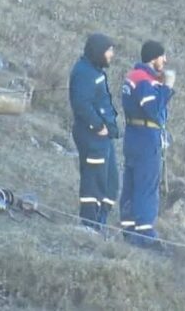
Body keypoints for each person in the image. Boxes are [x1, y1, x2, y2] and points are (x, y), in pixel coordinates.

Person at [119, 40, 175, 250]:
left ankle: (129, 228)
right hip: (146, 138)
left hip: (133, 135)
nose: (165, 60)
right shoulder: (144, 80)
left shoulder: (133, 76)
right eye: (162, 56)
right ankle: (145, 235)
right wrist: (167, 88)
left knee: (131, 183)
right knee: (147, 185)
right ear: (153, 58)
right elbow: (152, 109)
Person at [69, 33, 120, 231]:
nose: (111, 55)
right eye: (109, 50)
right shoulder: (84, 72)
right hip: (91, 136)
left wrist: (110, 128)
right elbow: (81, 104)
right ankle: (89, 224)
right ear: (99, 51)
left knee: (110, 181)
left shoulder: (95, 71)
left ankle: (100, 222)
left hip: (103, 137)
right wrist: (98, 126)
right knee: (93, 180)